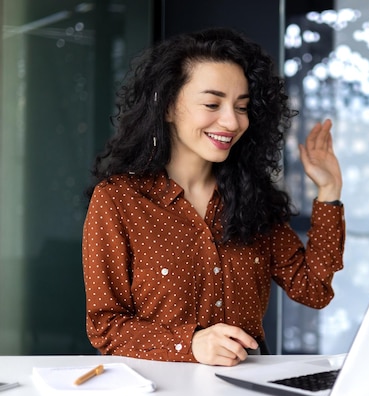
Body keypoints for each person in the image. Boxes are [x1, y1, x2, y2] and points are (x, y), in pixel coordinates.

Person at [82, 28, 345, 366]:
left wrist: (329, 192)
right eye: (212, 103)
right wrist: (189, 344)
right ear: (168, 107)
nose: (232, 121)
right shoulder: (118, 200)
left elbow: (313, 289)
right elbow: (105, 326)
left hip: (248, 395)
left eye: (242, 107)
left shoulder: (255, 199)